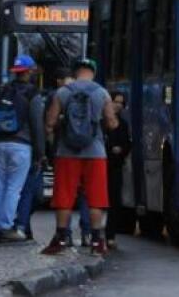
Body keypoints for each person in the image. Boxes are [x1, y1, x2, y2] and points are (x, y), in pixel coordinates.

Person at [42, 58, 119, 256]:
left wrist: (61, 125)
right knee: (96, 197)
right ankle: (97, 241)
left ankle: (60, 238)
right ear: (93, 72)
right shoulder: (102, 93)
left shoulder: (63, 92)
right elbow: (112, 123)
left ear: (75, 72)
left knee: (64, 195)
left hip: (67, 152)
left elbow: (49, 122)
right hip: (95, 153)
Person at [14, 67, 72, 239]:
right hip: (49, 152)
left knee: (35, 192)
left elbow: (45, 126)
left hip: (50, 152)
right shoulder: (53, 97)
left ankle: (23, 224)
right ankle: (23, 224)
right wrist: (42, 152)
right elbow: (44, 127)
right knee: (35, 191)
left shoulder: (53, 97)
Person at [0, 55, 40, 242]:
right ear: (29, 71)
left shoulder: (2, 90)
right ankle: (6, 226)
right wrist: (40, 152)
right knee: (13, 188)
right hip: (21, 145)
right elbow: (36, 125)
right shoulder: (32, 94)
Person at [105, 91, 132, 248]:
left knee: (114, 202)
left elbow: (127, 144)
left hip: (116, 167)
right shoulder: (102, 121)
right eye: (116, 101)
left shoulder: (123, 124)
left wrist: (121, 150)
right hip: (102, 166)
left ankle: (110, 236)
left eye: (121, 103)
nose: (118, 105)